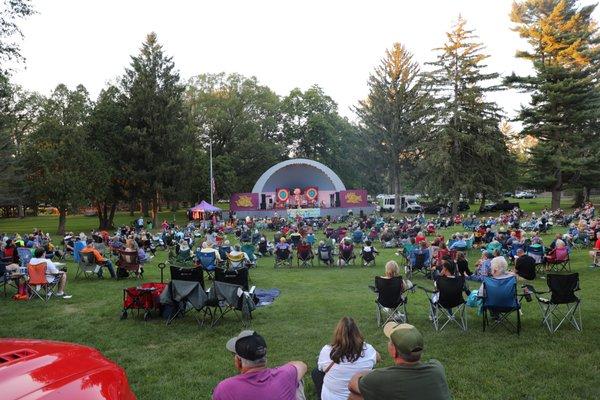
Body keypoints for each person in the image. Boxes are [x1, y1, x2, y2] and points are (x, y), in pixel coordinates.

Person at [347, 323, 451, 400]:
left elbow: (352, 385)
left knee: (356, 396)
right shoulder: (437, 368)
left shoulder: (380, 378)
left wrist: (369, 372)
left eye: (390, 341)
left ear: (394, 351)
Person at [212, 330, 307, 400]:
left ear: (238, 360)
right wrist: (279, 371)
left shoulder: (225, 388)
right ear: (265, 356)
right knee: (297, 382)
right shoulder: (286, 374)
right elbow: (302, 365)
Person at [312, 317, 380, 400]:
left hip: (332, 397)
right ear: (357, 333)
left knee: (317, 371)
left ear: (337, 333)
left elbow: (321, 368)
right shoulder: (368, 349)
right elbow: (378, 358)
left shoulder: (327, 351)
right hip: (359, 395)